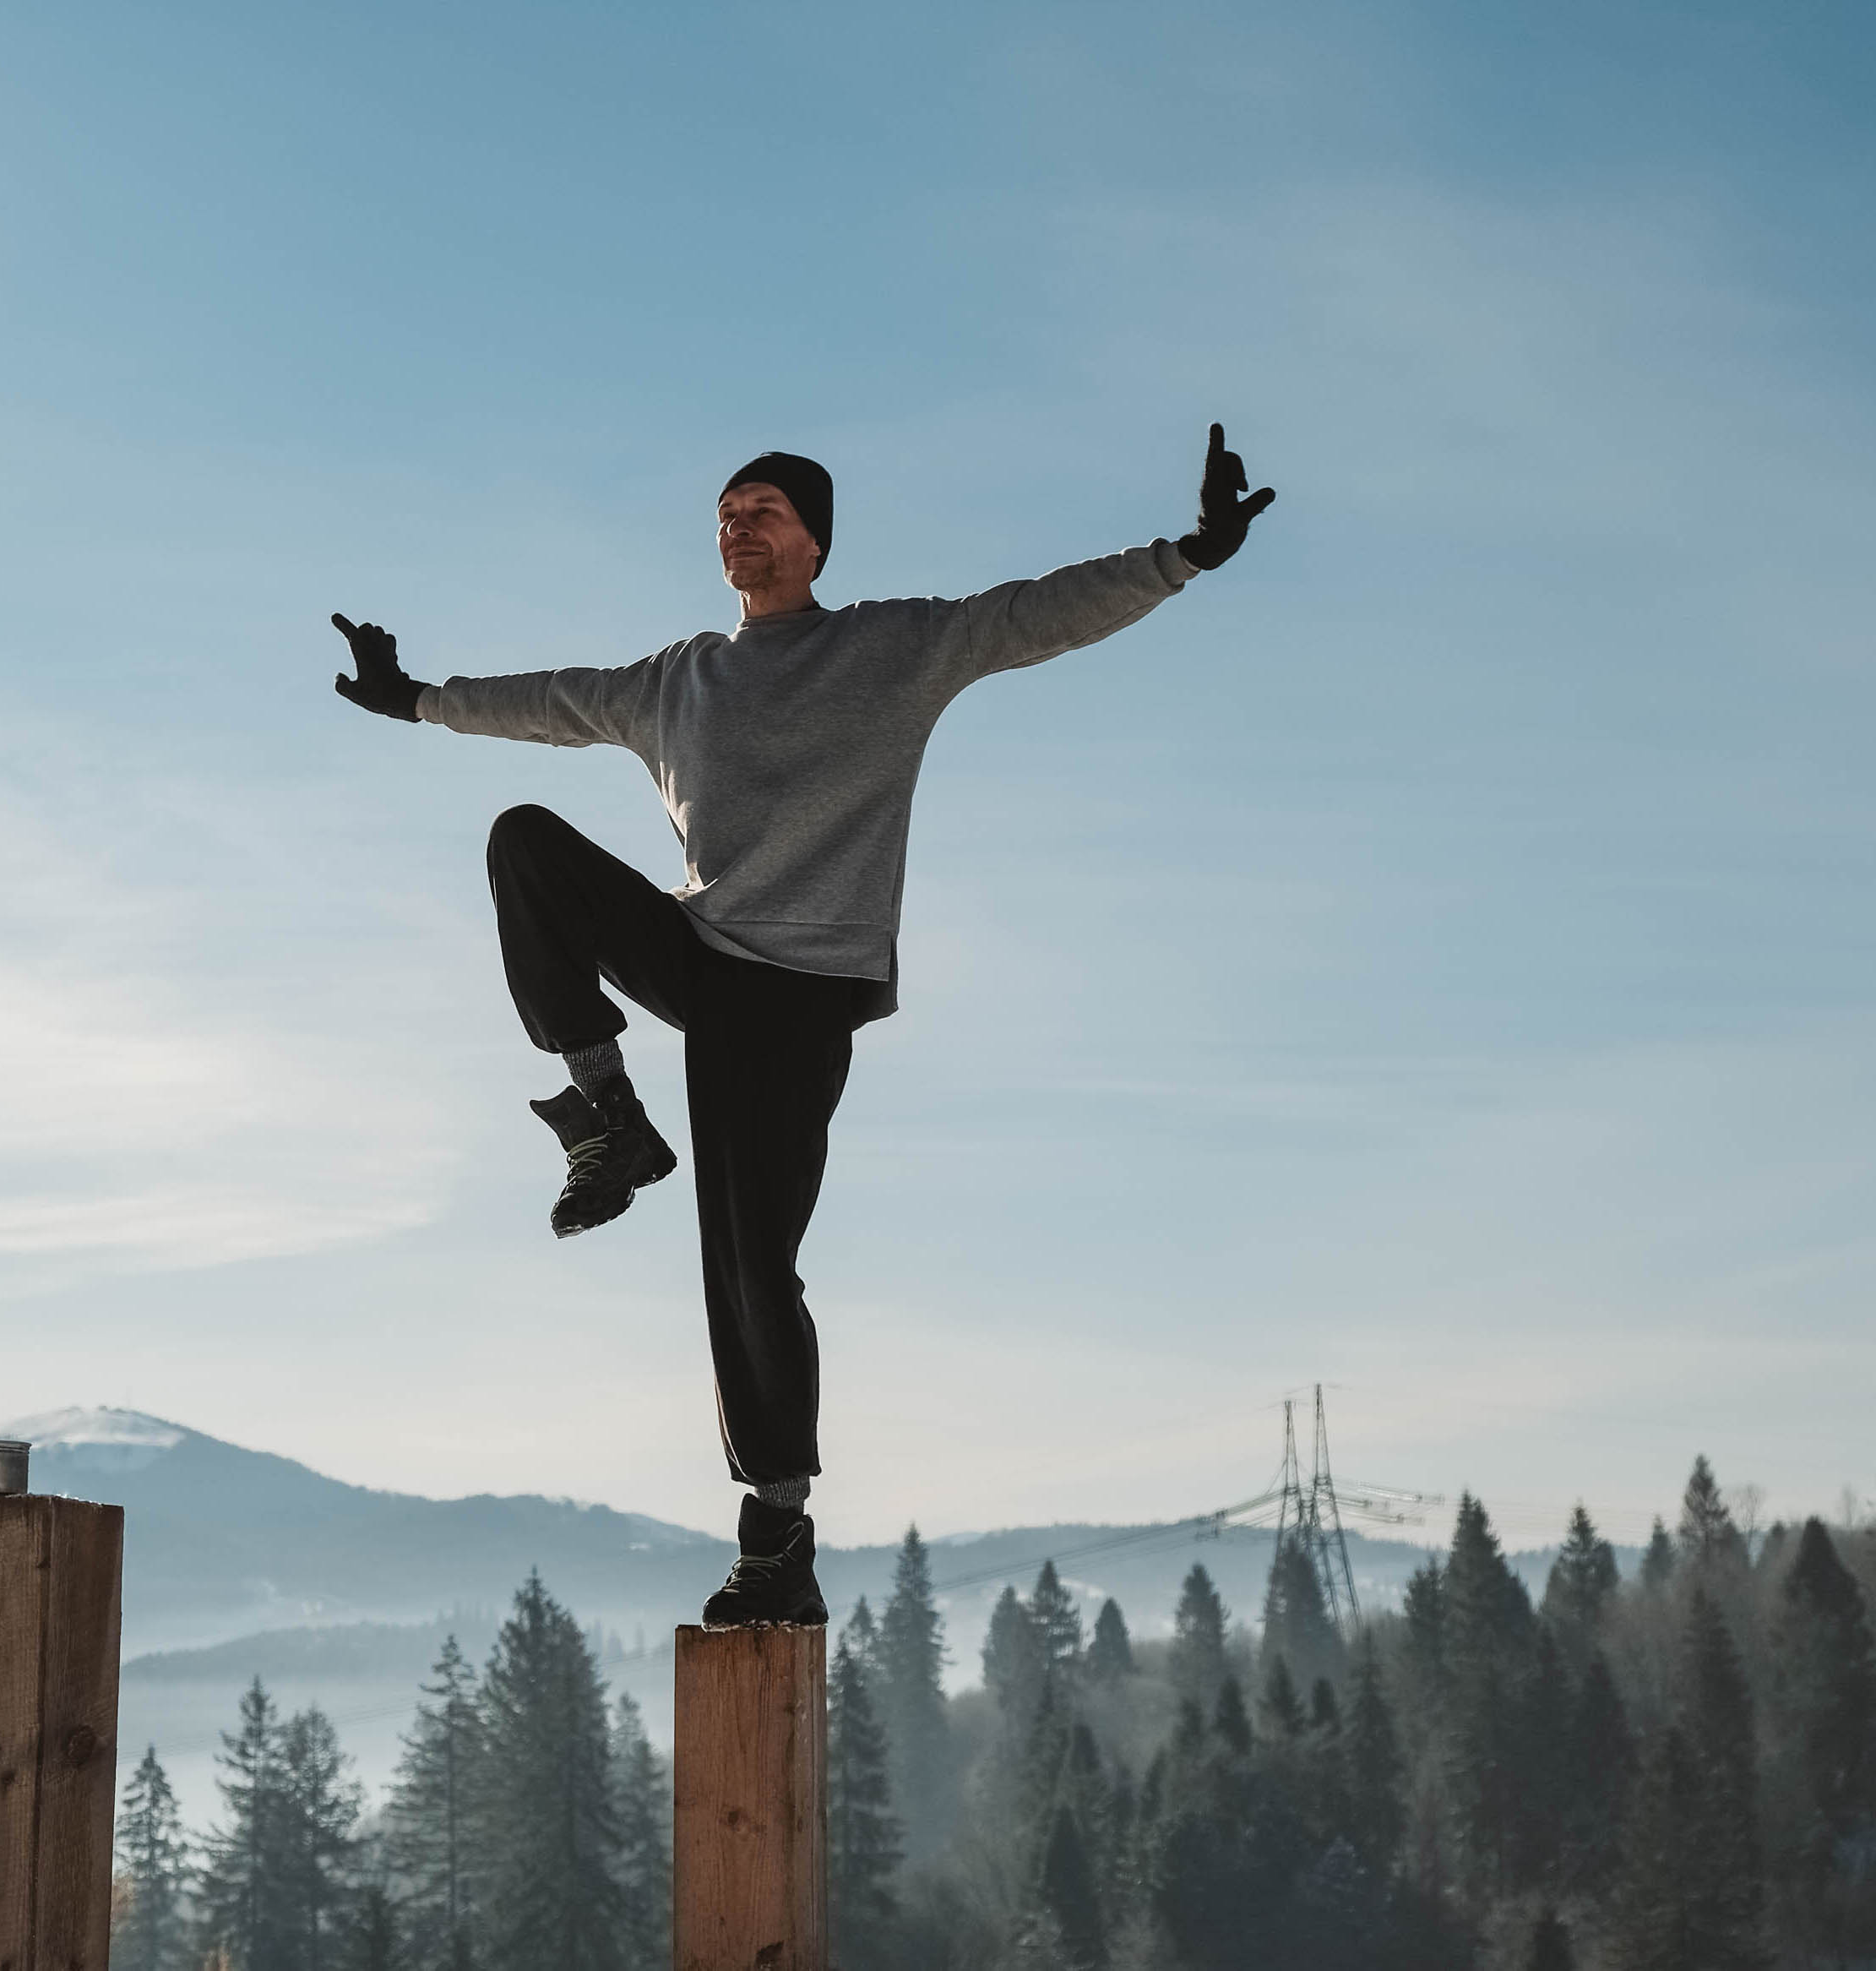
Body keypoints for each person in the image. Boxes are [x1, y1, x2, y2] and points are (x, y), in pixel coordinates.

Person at [329, 428, 1276, 1624]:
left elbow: (1039, 611)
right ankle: (609, 1117)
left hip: (800, 996)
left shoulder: (892, 646)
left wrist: (1186, 553)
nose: (740, 524)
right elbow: (552, 702)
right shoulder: (678, 677)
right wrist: (411, 698)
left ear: (816, 537)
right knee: (526, 839)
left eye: (766, 507)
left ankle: (777, 1534)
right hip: (703, 952)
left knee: (750, 1259)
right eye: (726, 509)